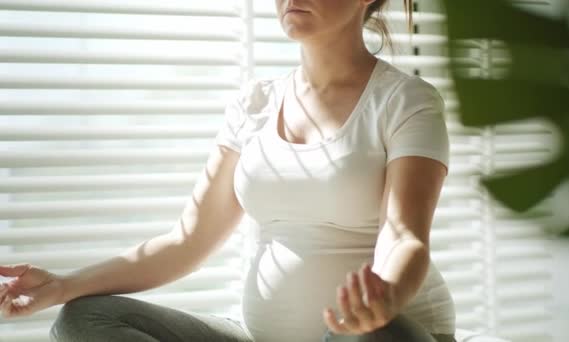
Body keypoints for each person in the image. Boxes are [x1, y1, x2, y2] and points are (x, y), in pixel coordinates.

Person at [0, 0, 457, 341]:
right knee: (84, 321)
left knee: (372, 337)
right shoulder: (255, 104)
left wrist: (385, 298)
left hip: (383, 333)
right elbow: (188, 240)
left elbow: (405, 236)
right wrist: (61, 286)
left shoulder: (404, 101)